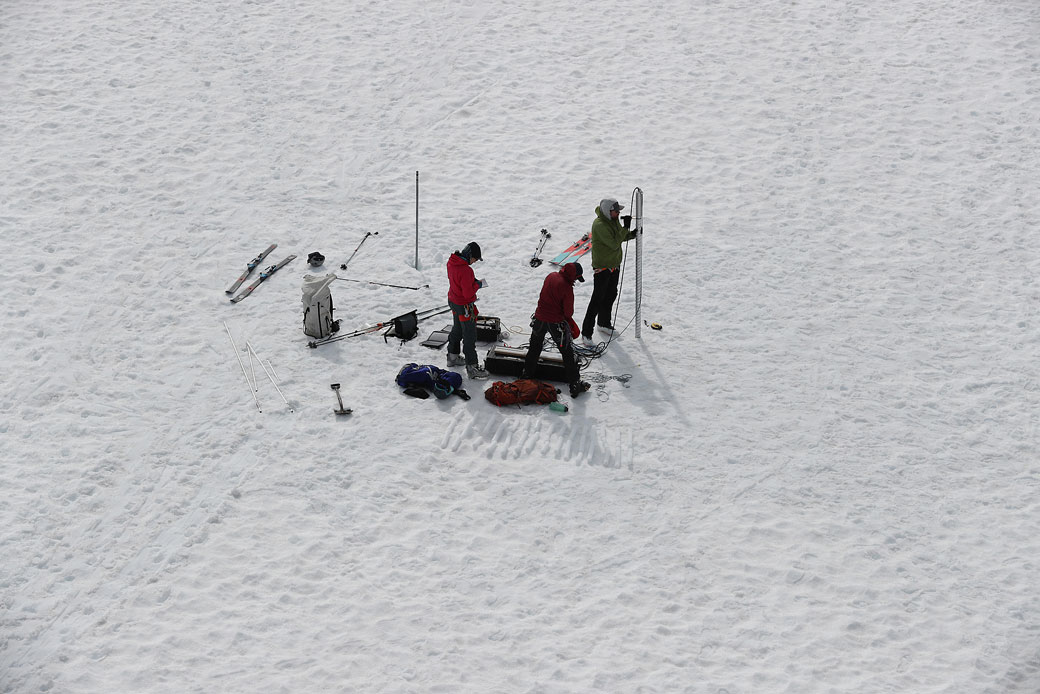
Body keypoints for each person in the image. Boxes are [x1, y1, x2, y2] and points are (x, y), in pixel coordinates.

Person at [524, 261, 590, 398]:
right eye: (577, 278)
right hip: (555, 323)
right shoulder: (566, 287)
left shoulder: (551, 276)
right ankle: (574, 383)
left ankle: (526, 376)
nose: (576, 281)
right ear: (573, 275)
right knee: (567, 352)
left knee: (534, 347)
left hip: (539, 318)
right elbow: (568, 312)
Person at [581, 197, 637, 341]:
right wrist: (626, 228)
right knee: (597, 299)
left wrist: (632, 234)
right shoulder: (599, 225)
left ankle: (603, 323)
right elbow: (613, 243)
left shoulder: (613, 221)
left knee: (611, 295)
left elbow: (620, 237)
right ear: (608, 211)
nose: (618, 213)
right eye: (616, 211)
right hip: (603, 267)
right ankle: (586, 332)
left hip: (614, 265)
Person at [446, 241, 489, 379]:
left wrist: (471, 281)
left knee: (457, 329)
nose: (475, 262)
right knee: (469, 335)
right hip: (464, 306)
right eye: (475, 259)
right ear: (470, 255)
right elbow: (468, 294)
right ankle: (472, 366)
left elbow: (459, 282)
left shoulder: (452, 262)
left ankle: (452, 357)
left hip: (453, 301)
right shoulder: (466, 270)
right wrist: (477, 284)